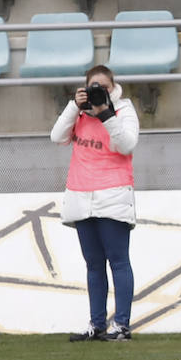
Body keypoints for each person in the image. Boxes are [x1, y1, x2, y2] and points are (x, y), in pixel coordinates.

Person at [51, 64, 139, 342]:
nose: (100, 93)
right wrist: (73, 107)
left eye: (105, 88)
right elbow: (57, 137)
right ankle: (97, 324)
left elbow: (126, 145)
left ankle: (122, 326)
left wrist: (106, 114)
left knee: (118, 261)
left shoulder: (124, 111)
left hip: (112, 195)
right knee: (93, 264)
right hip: (81, 194)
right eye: (94, 88)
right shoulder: (78, 113)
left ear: (114, 88)